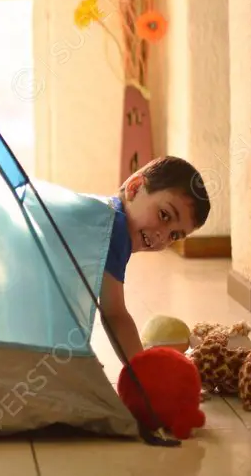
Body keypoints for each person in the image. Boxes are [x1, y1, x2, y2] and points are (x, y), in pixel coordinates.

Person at [98, 156, 211, 364]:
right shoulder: (113, 228)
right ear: (135, 187)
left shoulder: (105, 214)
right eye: (164, 215)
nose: (162, 236)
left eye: (174, 235)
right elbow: (114, 314)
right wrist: (145, 377)